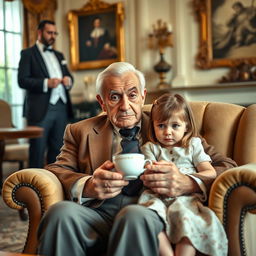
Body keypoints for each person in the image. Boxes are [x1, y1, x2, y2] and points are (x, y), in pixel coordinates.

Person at [37, 62, 236, 256]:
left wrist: (188, 183)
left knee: (133, 216)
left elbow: (226, 166)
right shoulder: (79, 131)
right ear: (102, 102)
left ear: (142, 96)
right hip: (97, 213)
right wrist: (88, 185)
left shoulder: (167, 124)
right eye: (114, 97)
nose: (125, 106)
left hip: (148, 210)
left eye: (132, 95)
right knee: (59, 213)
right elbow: (56, 170)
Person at [139, 93, 228, 256]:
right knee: (149, 217)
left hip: (186, 199)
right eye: (161, 126)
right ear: (153, 126)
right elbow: (146, 168)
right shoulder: (150, 148)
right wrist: (150, 168)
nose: (168, 132)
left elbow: (210, 172)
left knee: (186, 219)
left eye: (175, 126)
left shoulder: (193, 145)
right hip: (156, 197)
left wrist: (188, 180)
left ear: (186, 126)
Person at [18, 20, 74, 168]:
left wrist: (69, 81)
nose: (53, 36)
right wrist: (45, 83)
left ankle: (53, 186)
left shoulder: (59, 55)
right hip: (39, 109)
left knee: (58, 151)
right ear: (40, 33)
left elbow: (69, 76)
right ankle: (33, 188)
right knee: (37, 150)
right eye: (50, 32)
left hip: (61, 107)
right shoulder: (28, 54)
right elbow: (22, 81)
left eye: (55, 33)